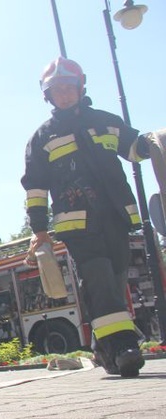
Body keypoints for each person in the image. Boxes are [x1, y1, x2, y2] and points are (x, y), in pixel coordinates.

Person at [22, 57, 152, 377]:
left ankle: (102, 346)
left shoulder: (107, 122)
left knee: (115, 279)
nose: (65, 95)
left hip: (115, 217)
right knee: (99, 280)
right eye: (58, 90)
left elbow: (136, 150)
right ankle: (122, 348)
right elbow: (35, 188)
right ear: (48, 96)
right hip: (76, 224)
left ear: (81, 89)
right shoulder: (42, 138)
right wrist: (40, 231)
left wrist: (155, 142)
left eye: (70, 88)